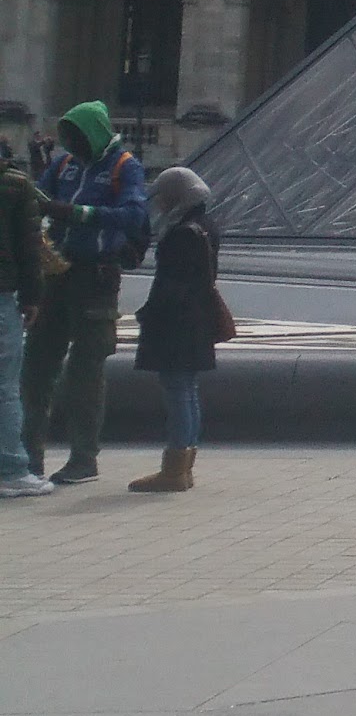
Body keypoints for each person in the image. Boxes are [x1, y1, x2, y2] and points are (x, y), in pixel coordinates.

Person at [21, 103, 147, 486]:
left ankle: (83, 457)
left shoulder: (126, 166)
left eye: (77, 136)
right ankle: (28, 459)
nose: (71, 144)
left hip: (95, 277)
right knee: (36, 368)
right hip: (55, 273)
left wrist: (79, 213)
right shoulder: (63, 164)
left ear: (92, 133)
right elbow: (38, 197)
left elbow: (134, 215)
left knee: (84, 372)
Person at [127, 167, 222, 493]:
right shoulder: (207, 227)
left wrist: (148, 314)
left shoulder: (182, 233)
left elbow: (171, 285)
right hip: (197, 320)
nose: (161, 203)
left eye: (165, 195)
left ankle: (174, 469)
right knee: (187, 389)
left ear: (179, 195)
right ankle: (185, 464)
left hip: (176, 324)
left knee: (177, 390)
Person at [0, 154, 52, 498]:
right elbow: (29, 247)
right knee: (5, 387)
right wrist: (33, 297)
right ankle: (12, 469)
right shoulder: (15, 185)